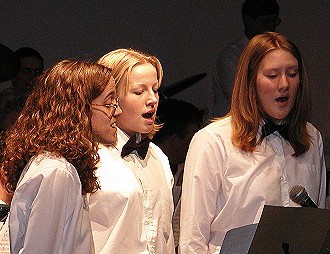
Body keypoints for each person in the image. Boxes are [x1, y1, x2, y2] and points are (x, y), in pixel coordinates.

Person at [179, 32, 327, 253]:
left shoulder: (311, 138)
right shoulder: (213, 142)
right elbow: (193, 241)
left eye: (292, 73)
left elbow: (316, 229)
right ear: (250, 81)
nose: (284, 84)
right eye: (272, 75)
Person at [0, 59, 121, 254]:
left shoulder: (58, 167)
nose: (118, 111)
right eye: (109, 103)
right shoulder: (56, 172)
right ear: (80, 108)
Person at [88, 48, 175, 254]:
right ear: (111, 98)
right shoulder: (90, 158)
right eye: (139, 91)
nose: (152, 99)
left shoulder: (158, 158)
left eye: (155, 89)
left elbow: (166, 236)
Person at [212, 0, 280, 117]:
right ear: (248, 20)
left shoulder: (277, 52)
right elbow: (240, 97)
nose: (271, 27)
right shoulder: (231, 56)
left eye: (274, 21)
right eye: (265, 21)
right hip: (234, 125)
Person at [153, 98, 203, 252]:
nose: (196, 146)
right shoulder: (151, 168)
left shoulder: (186, 170)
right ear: (174, 139)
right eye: (191, 140)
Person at [0, 47, 44, 112]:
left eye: (37, 72)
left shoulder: (46, 101)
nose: (32, 76)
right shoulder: (6, 100)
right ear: (13, 75)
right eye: (26, 71)